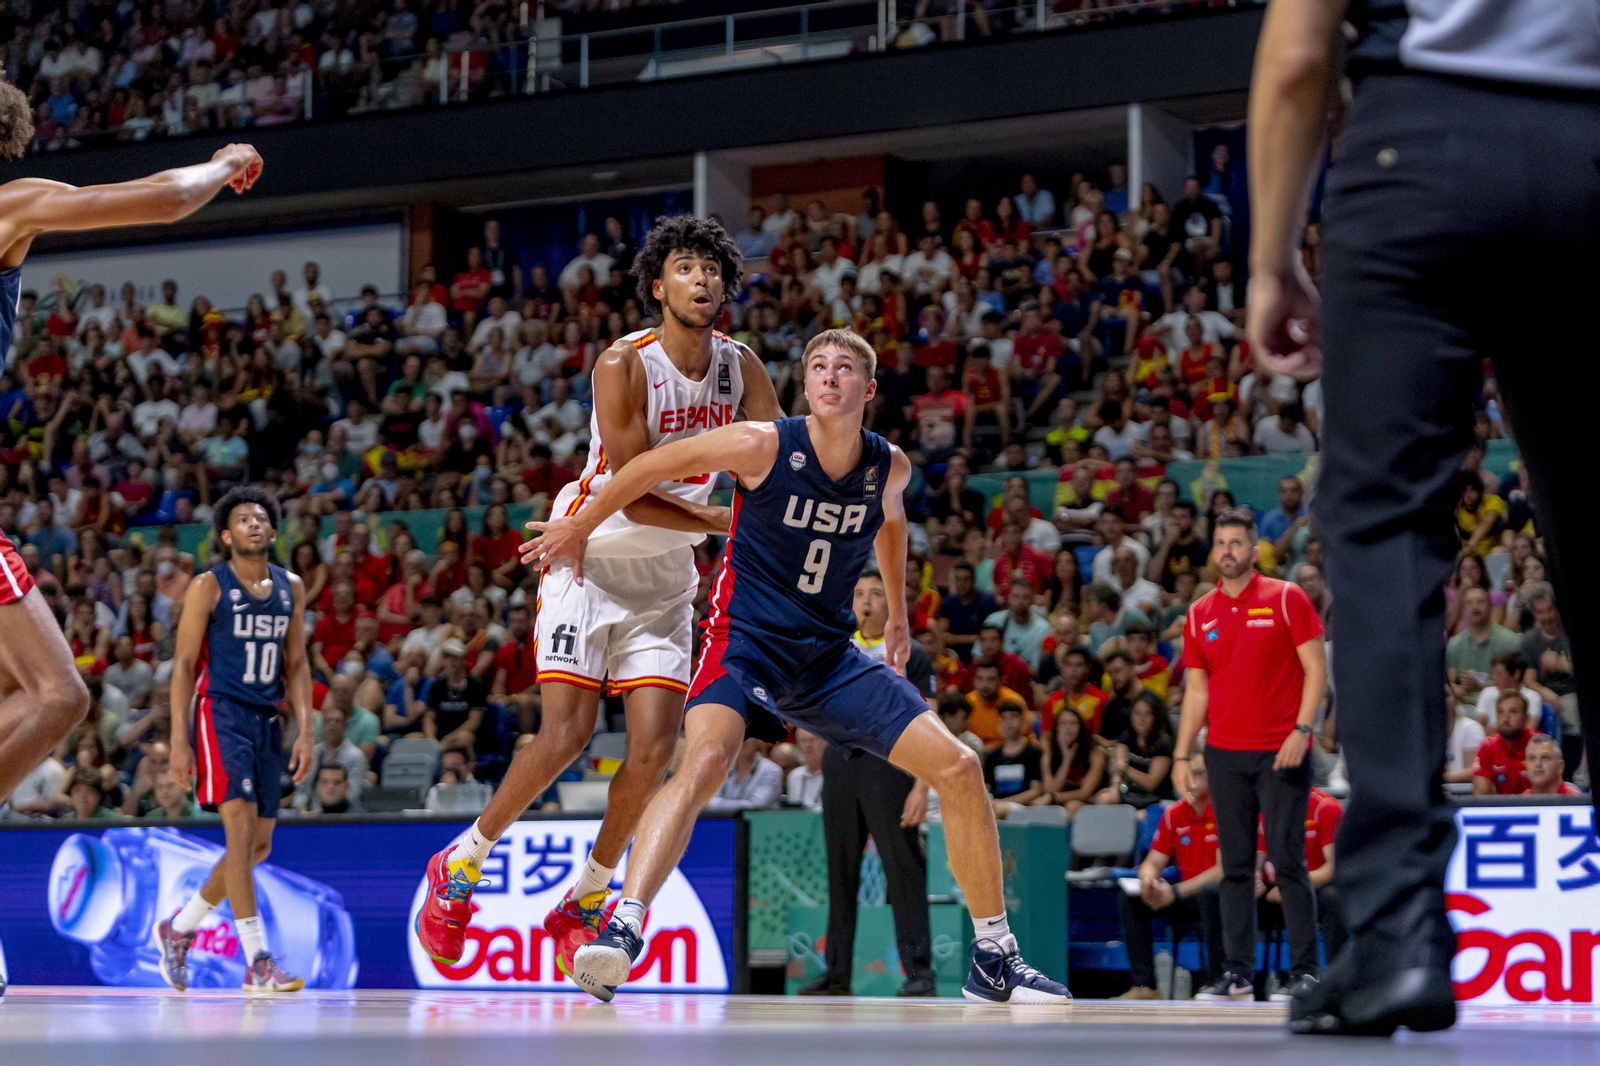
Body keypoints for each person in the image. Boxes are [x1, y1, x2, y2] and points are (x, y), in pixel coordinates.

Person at [523, 329, 1068, 1005]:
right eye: (817, 367)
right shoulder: (759, 443)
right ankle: (623, 928)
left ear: (868, 389)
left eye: (844, 368)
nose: (829, 376)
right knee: (704, 761)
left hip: (829, 655)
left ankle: (995, 959)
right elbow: (640, 470)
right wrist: (579, 525)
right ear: (805, 385)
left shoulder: (886, 465)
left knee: (959, 767)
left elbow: (892, 522)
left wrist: (896, 615)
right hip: (745, 641)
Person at [1247, 0, 1600, 1036]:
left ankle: (1397, 933)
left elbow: (1299, 48)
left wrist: (1272, 257)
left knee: (1386, 539)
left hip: (1418, 149)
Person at [414, 215, 785, 974]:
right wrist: (721, 518)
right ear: (658, 286)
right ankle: (461, 863)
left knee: (650, 754)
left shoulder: (741, 367)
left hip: (665, 578)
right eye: (686, 267)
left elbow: (780, 462)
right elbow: (631, 490)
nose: (703, 278)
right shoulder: (624, 364)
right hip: (591, 552)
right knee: (565, 737)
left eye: (713, 268)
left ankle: (584, 899)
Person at [0, 137, 265, 827]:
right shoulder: (9, 205)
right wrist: (226, 163)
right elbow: (169, 196)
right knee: (59, 697)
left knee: (16, 686)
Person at [157, 487, 314, 994]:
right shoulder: (208, 585)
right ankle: (258, 962)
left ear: (272, 532)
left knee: (259, 847)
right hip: (219, 712)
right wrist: (179, 741)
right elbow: (182, 666)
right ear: (226, 536)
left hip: (268, 719)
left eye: (261, 518)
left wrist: (307, 731)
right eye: (243, 519)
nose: (253, 524)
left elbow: (297, 664)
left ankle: (179, 929)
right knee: (241, 835)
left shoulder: (292, 586)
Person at [1174, 509, 1327, 1004]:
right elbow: (1196, 692)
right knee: (1236, 866)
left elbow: (1316, 671)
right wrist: (1181, 754)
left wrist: (1303, 730)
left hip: (1282, 750)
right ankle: (1237, 975)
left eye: (1236, 542)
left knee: (1287, 862)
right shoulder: (1199, 613)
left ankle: (1306, 974)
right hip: (1223, 754)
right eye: (1219, 542)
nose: (1227, 551)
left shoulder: (1286, 597)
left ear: (1254, 550)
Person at [803, 570, 938, 995]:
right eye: (858, 593)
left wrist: (921, 786)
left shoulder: (910, 653)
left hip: (891, 765)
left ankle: (920, 973)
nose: (866, 601)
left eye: (876, 594)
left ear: (891, 603)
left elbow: (930, 720)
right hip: (841, 762)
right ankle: (837, 973)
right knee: (840, 872)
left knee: (903, 870)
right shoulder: (837, 649)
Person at [1116, 748, 1224, 1000]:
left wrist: (1174, 892)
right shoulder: (1175, 813)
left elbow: (1222, 870)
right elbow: (1153, 861)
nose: (1190, 781)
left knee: (1210, 895)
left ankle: (1217, 981)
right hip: (1181, 896)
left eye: (1197, 774)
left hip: (1214, 896)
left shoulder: (1223, 811)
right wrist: (1149, 881)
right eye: (1187, 774)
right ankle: (1145, 986)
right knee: (1130, 900)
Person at [1472, 691, 1541, 797]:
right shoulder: (1487, 746)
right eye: (1500, 712)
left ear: (1526, 718)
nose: (1505, 719)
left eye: (1513, 711)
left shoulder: (1540, 745)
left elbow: (1550, 790)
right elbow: (1480, 796)